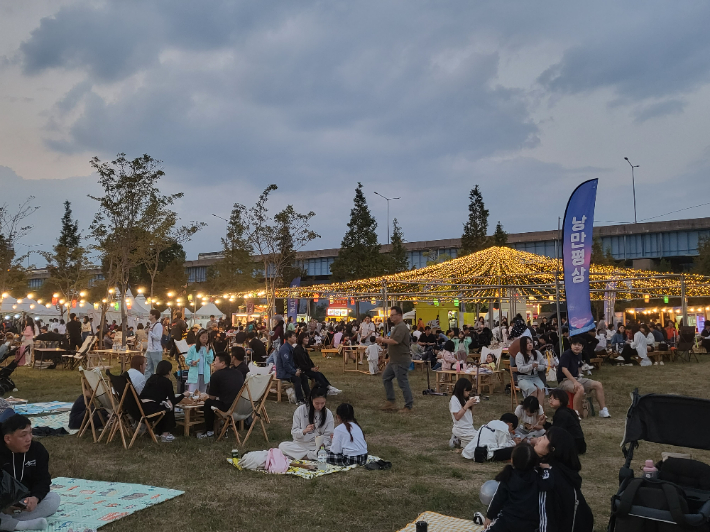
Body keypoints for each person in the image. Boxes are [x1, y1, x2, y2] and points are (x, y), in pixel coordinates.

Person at [0, 415, 61, 531]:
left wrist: (35, 498)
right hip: (2, 504)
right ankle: (20, 525)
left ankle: (8, 523)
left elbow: (43, 480)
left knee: (53, 499)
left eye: (30, 433)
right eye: (23, 435)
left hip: (23, 504)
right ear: (8, 439)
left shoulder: (37, 450)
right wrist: (4, 505)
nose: (29, 438)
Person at [533, 427, 594, 532]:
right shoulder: (562, 471)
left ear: (553, 448)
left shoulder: (549, 477)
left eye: (545, 437)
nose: (539, 438)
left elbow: (547, 518)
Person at [483, 443, 547, 532]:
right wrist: (546, 469)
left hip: (506, 522)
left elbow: (498, 499)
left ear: (512, 460)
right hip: (529, 525)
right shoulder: (539, 477)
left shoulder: (508, 476)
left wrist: (489, 517)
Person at [556, 336, 610, 418]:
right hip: (564, 380)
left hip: (576, 378)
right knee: (579, 388)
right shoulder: (566, 355)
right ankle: (575, 413)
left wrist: (578, 376)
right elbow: (564, 369)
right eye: (574, 344)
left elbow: (579, 367)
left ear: (582, 347)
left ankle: (603, 410)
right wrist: (575, 382)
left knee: (598, 384)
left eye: (579, 345)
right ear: (571, 345)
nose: (577, 346)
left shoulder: (579, 355)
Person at [278, 386, 335, 460]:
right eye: (317, 403)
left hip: (318, 446)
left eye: (322, 403)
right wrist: (304, 431)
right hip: (301, 444)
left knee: (332, 449)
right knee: (282, 446)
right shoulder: (301, 410)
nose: (320, 406)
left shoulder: (328, 413)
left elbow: (328, 435)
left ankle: (303, 456)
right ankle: (311, 456)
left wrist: (323, 443)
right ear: (311, 399)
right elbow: (294, 433)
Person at [377, 306, 413, 413]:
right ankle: (391, 401)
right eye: (390, 315)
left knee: (403, 383)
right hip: (394, 360)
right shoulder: (397, 327)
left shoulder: (401, 327)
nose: (391, 317)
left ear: (399, 315)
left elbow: (395, 341)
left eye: (393, 315)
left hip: (400, 360)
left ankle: (408, 405)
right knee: (386, 378)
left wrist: (383, 339)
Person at [199, 353, 244, 439]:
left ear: (222, 363)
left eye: (215, 361)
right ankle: (222, 426)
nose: (214, 363)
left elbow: (212, 397)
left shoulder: (216, 375)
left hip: (228, 407)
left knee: (208, 403)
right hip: (241, 406)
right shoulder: (238, 373)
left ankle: (209, 431)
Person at [139, 360, 184, 442]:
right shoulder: (167, 382)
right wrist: (184, 395)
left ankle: (158, 432)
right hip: (151, 410)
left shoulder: (152, 378)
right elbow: (173, 400)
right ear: (169, 371)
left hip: (141, 408)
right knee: (169, 407)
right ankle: (165, 434)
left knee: (164, 405)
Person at [293, 333, 341, 398]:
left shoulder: (303, 349)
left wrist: (313, 367)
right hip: (302, 369)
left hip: (306, 368)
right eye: (305, 338)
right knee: (317, 375)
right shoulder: (298, 350)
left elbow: (309, 360)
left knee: (319, 374)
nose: (307, 339)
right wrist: (310, 368)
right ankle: (328, 388)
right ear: (301, 339)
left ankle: (328, 387)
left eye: (307, 338)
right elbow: (301, 364)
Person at [541, 389, 586, 455]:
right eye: (550, 398)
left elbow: (556, 433)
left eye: (554, 398)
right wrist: (545, 423)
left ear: (562, 400)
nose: (551, 401)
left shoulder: (561, 414)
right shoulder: (569, 411)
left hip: (572, 446)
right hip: (580, 445)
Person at [275, 330, 305, 405]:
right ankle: (299, 400)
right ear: (288, 338)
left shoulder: (290, 347)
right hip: (283, 373)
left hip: (288, 371)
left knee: (303, 376)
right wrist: (294, 372)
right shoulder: (285, 349)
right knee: (297, 379)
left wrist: (297, 369)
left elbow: (292, 362)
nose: (295, 338)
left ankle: (307, 396)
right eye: (294, 336)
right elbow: (286, 365)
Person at [515, 337, 547, 404]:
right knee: (533, 389)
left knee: (541, 389)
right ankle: (531, 410)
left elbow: (543, 366)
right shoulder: (519, 355)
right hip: (523, 378)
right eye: (527, 343)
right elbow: (520, 369)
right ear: (523, 345)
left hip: (535, 376)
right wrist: (531, 366)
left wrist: (537, 367)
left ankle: (539, 411)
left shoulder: (537, 353)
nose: (530, 344)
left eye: (530, 342)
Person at [449, 377, 477, 449]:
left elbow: (469, 416)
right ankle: (458, 439)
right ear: (463, 390)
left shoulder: (464, 399)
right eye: (467, 391)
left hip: (469, 428)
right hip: (461, 429)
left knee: (481, 437)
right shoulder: (454, 399)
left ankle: (460, 441)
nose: (468, 393)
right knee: (479, 440)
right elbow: (457, 417)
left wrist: (471, 405)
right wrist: (467, 405)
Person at [185, 329, 215, 393]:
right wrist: (192, 362)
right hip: (194, 374)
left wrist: (207, 353)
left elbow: (210, 361)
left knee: (202, 393)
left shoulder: (209, 349)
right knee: (192, 392)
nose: (205, 339)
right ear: (199, 338)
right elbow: (187, 360)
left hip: (205, 375)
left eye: (206, 338)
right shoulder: (193, 348)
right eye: (203, 337)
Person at [145, 309, 163, 379]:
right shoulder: (151, 325)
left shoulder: (158, 325)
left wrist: (150, 333)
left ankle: (158, 382)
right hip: (149, 349)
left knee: (157, 368)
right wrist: (148, 333)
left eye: (150, 314)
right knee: (148, 368)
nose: (148, 316)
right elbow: (150, 337)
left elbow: (158, 337)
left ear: (154, 316)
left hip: (156, 350)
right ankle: (147, 383)